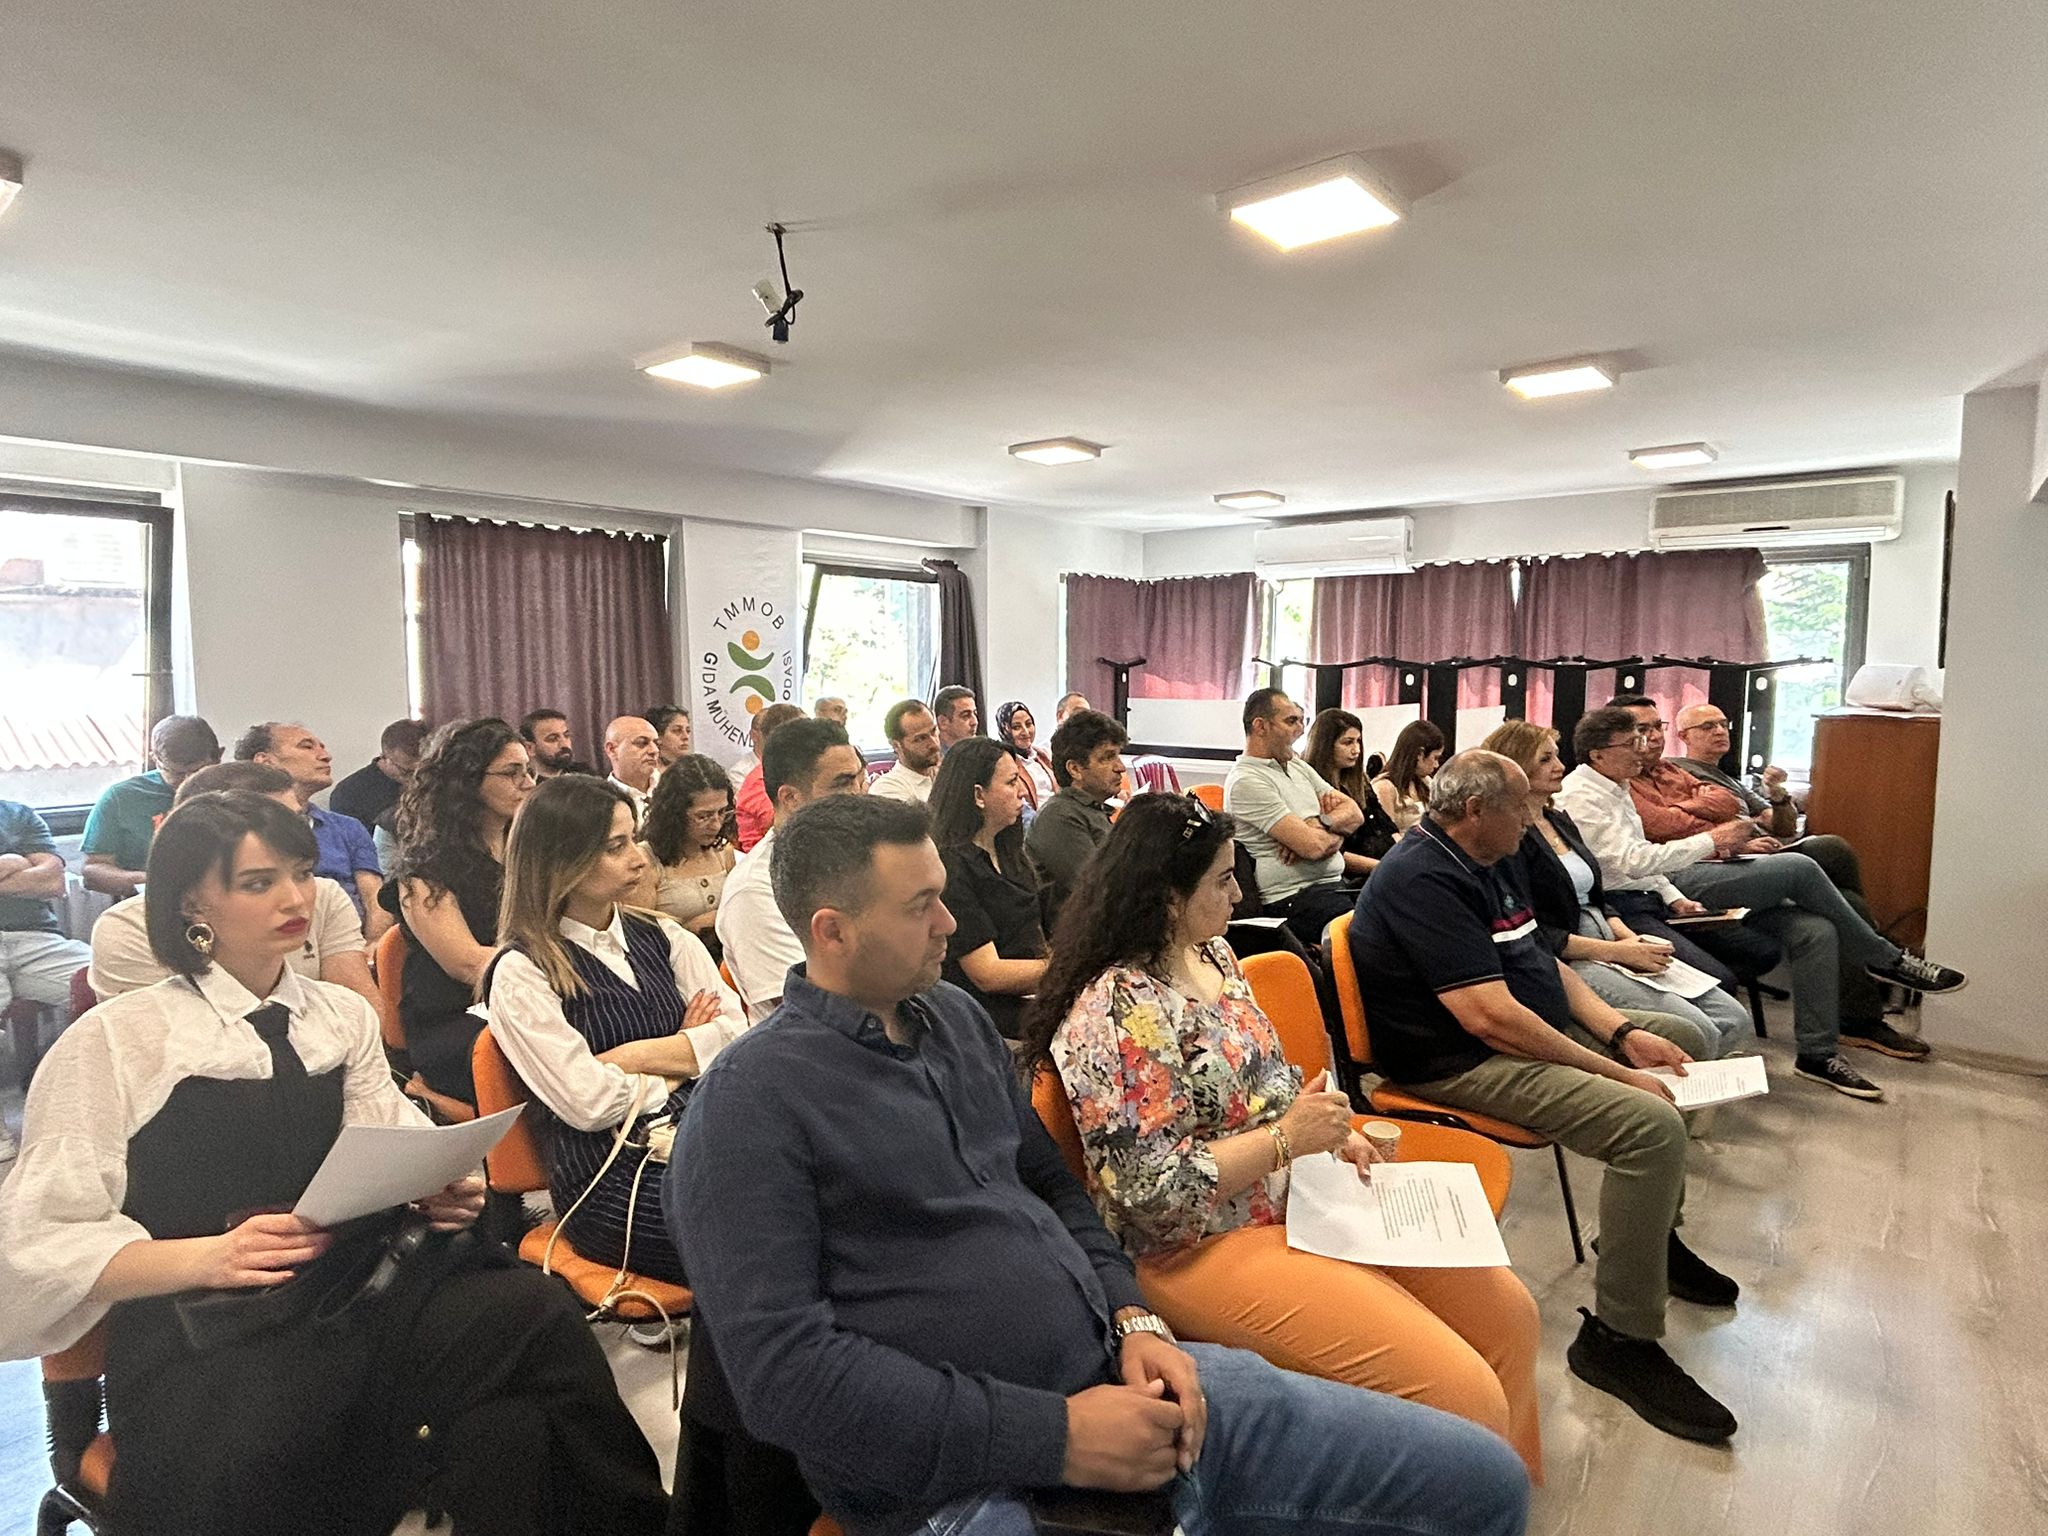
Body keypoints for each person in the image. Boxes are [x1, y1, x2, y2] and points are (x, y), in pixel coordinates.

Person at [667, 794, 1530, 1536]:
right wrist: (1057, 1437)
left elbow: (1051, 1184)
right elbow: (785, 1378)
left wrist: (1134, 1317)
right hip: (968, 1483)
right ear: (832, 932)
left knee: (1483, 1483)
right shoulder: (750, 1104)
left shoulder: (954, 1024)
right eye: (923, 905)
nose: (951, 924)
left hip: (1124, 1379)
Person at [0, 789, 669, 1535]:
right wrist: (210, 1256)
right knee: (495, 1423)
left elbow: (386, 1148)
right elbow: (37, 1246)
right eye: (259, 883)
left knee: (534, 1318)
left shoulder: (336, 1017)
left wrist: (436, 1190)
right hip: (210, 1333)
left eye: (302, 873)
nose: (298, 898)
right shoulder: (118, 1042)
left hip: (354, 1290)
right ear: (192, 902)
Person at [1026, 793, 1543, 1477]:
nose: (1239, 893)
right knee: (1460, 1390)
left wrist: (1325, 1129)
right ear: (1169, 898)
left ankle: (1499, 1496)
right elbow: (1151, 1198)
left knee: (1509, 1315)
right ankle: (1466, 1495)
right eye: (1222, 880)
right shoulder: (1118, 1009)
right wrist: (1287, 1140)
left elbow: (1265, 1086)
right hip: (1194, 1246)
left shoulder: (1213, 953)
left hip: (1292, 1195)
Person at [1350, 750, 1743, 1445]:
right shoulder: (1423, 876)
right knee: (1649, 1125)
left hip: (1518, 1029)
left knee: (1680, 1035)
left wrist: (1620, 1032)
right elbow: (1487, 1018)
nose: (1533, 820)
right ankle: (1618, 1341)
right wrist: (1615, 1071)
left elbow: (1543, 962)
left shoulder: (1491, 855)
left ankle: (1649, 1239)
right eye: (1522, 808)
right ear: (1476, 810)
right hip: (1457, 1061)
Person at [1555, 708, 1964, 1101]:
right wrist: (1713, 839)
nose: (1646, 745)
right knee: (1807, 863)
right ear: (1598, 754)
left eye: (1650, 732)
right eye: (1634, 739)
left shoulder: (1628, 782)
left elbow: (1725, 808)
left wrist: (1679, 892)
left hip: (1671, 885)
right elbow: (1637, 855)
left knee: (1816, 929)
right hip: (1651, 891)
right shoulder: (1588, 794)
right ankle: (1884, 959)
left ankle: (1818, 1054)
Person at [486, 775, 744, 1304]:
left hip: (702, 1134)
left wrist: (631, 1057)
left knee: (818, 1196)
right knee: (762, 1234)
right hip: (608, 1180)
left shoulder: (664, 935)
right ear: (561, 862)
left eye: (634, 839)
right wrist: (684, 1054)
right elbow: (590, 1104)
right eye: (615, 847)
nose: (639, 859)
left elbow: (737, 1039)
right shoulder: (521, 971)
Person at [1627, 697, 1914, 1059]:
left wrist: (1776, 797)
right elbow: (1666, 827)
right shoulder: (1645, 778)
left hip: (1740, 860)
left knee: (1825, 922)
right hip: (1693, 876)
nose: (1720, 731)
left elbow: (1745, 812)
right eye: (1708, 726)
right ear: (1685, 736)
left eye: (1658, 727)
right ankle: (1882, 957)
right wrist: (1727, 836)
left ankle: (1821, 1051)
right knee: (1819, 856)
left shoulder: (1675, 772)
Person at [1479, 721, 1753, 1059]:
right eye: (1546, 759)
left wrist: (1629, 940)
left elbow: (1597, 894)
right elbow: (1535, 932)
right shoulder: (1510, 838)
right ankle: (1676, 1082)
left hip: (1610, 933)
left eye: (1557, 756)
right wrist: (1618, 951)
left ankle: (1685, 1077)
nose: (1561, 766)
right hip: (1571, 955)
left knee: (1733, 1016)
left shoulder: (1559, 819)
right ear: (1516, 769)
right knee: (1698, 1031)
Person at [89, 762, 377, 1015]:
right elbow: (161, 1048)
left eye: (299, 820)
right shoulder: (129, 928)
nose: (294, 837)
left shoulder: (322, 895)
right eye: (270, 824)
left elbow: (363, 1014)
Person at [382, 718, 534, 1103]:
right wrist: (557, 972)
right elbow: (465, 963)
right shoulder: (424, 869)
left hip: (527, 996)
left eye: (528, 771)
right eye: (512, 773)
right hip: (455, 1017)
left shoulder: (529, 854)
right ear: (466, 781)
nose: (529, 783)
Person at [714, 718, 869, 1022]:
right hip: (820, 1043)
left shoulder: (856, 856)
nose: (859, 795)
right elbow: (810, 1009)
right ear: (791, 798)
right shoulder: (755, 890)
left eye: (859, 781)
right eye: (842, 783)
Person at [928, 738, 1048, 1038]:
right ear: (979, 795)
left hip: (1029, 996)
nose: (1022, 791)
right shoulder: (951, 866)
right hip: (985, 1015)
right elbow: (988, 974)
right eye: (1011, 782)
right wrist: (1067, 971)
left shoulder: (1009, 849)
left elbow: (1035, 932)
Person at [1223, 689, 1363, 947]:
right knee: (1378, 929)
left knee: (1401, 903)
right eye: (1291, 721)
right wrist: (1333, 832)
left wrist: (1320, 824)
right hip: (1293, 899)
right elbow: (1313, 847)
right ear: (1260, 726)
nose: (1300, 730)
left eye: (1301, 721)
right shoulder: (1246, 780)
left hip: (1334, 885)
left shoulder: (1296, 765)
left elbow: (1354, 814)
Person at [235, 721, 388, 937]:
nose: (326, 756)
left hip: (353, 941)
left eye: (322, 747)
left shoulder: (347, 828)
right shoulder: (239, 830)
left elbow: (375, 899)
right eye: (307, 746)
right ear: (265, 761)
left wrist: (373, 945)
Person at [0, 794, 92, 1148]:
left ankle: (97, 1108)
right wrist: (14, 862)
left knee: (110, 982)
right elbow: (37, 877)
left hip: (38, 940)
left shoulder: (17, 814)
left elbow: (53, 882)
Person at [81, 714, 222, 898]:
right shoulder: (121, 797)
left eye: (198, 771)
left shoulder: (234, 789)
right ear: (155, 758)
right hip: (150, 902)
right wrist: (149, 882)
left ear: (219, 757)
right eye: (177, 773)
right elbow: (93, 870)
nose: (188, 781)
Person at [1025, 707, 1128, 922]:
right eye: (1108, 757)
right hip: (1079, 934)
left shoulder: (1092, 809)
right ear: (1075, 769)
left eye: (1118, 756)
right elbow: (1099, 892)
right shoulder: (1059, 817)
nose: (1120, 767)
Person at [638, 753, 738, 963]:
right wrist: (690, 929)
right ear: (674, 813)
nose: (716, 824)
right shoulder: (646, 861)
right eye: (703, 816)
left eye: (722, 812)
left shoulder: (723, 852)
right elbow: (641, 940)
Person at [1303, 708, 1401, 878]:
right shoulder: (1309, 787)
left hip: (1383, 866)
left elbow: (1386, 826)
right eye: (1348, 742)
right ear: (1325, 745)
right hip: (1353, 876)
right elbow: (1335, 852)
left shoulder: (1361, 782)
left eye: (1358, 742)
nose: (1356, 750)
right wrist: (1384, 868)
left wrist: (1404, 856)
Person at [329, 718, 428, 834]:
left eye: (423, 770)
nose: (416, 778)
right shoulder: (347, 794)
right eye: (407, 772)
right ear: (385, 758)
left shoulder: (433, 779)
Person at [733, 703, 805, 852]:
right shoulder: (759, 779)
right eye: (807, 735)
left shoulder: (789, 773)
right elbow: (785, 825)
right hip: (766, 857)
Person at [1373, 719, 1445, 834]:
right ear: (1419, 754)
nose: (1436, 765)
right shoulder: (1384, 788)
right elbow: (1386, 836)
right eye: (1435, 758)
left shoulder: (1426, 782)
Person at [868, 698, 941, 804]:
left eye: (933, 731)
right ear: (896, 745)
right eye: (920, 739)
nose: (934, 744)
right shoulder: (886, 789)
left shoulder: (947, 774)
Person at [995, 699, 1059, 809]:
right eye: (1016, 727)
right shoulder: (1003, 763)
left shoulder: (1042, 756)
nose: (1025, 731)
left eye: (1029, 724)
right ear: (1005, 730)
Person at [603, 715, 661, 826]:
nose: (654, 750)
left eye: (657, 744)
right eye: (642, 743)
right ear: (612, 750)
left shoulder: (674, 789)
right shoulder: (601, 802)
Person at [520, 708, 595, 781]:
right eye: (552, 739)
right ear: (529, 748)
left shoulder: (585, 775)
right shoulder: (522, 783)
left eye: (566, 735)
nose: (564, 744)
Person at [932, 684, 979, 750]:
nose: (975, 722)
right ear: (943, 722)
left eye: (975, 713)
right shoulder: (931, 754)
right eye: (965, 716)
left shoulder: (980, 751)